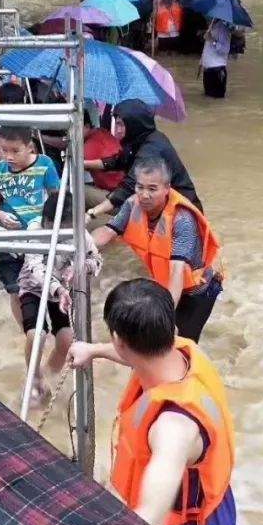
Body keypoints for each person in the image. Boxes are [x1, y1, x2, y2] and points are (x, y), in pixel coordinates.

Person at [68, 279, 236, 525]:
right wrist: (93, 351)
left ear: (119, 339)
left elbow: (150, 519)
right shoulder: (184, 350)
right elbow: (136, 352)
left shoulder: (173, 428)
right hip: (215, 506)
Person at [93, 158, 223, 343]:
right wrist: (85, 247)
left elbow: (176, 271)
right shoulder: (133, 204)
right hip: (168, 282)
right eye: (140, 187)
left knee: (181, 343)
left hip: (199, 289)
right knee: (152, 342)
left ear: (167, 188)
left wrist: (163, 316)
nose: (144, 195)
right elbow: (108, 231)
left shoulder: (182, 219)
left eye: (152, 189)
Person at [18, 194, 102, 404]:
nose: (65, 236)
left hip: (61, 293)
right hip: (34, 288)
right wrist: (57, 288)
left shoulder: (80, 234)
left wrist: (80, 267)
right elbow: (35, 267)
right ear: (47, 220)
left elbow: (97, 261)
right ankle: (34, 377)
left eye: (68, 230)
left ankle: (49, 376)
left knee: (66, 339)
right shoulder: (36, 231)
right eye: (60, 230)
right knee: (35, 335)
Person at [0, 126, 62, 326]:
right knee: (14, 289)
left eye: (15, 151)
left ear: (29, 147)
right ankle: (27, 331)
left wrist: (49, 225)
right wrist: (0, 214)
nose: (8, 156)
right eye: (3, 150)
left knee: (43, 283)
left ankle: (46, 327)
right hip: (7, 238)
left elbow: (57, 199)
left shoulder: (45, 165)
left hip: (37, 236)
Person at [84, 99, 201, 219]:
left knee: (81, 195)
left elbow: (127, 188)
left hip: (180, 213)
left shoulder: (150, 149)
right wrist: (85, 164)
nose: (117, 130)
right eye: (116, 124)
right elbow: (118, 161)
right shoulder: (140, 139)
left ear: (134, 124)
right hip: (158, 205)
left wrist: (93, 212)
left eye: (121, 125)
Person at [83, 107, 125, 209]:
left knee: (71, 190)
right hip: (121, 192)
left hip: (117, 198)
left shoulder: (90, 145)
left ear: (87, 126)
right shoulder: (102, 132)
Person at [200, 18, 231, 99]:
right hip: (208, 70)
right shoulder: (212, 26)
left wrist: (212, 40)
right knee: (207, 99)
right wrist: (201, 62)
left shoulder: (223, 29)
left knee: (217, 100)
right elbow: (207, 48)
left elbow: (225, 49)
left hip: (217, 71)